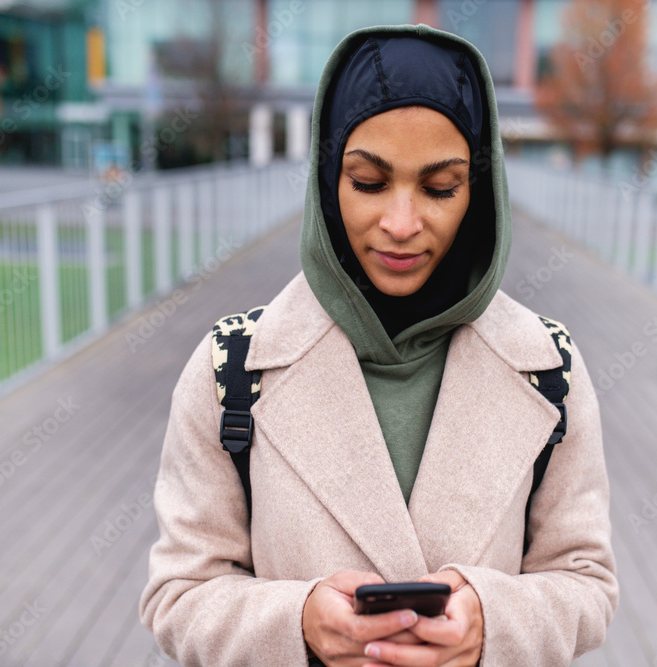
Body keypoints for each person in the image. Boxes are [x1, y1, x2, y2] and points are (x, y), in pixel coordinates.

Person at [139, 23, 617, 666]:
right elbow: (179, 594)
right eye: (367, 182)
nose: (400, 225)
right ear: (326, 179)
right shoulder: (231, 366)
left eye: (441, 188)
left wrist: (493, 623)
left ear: (478, 193)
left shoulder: (548, 368)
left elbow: (586, 582)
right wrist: (298, 624)